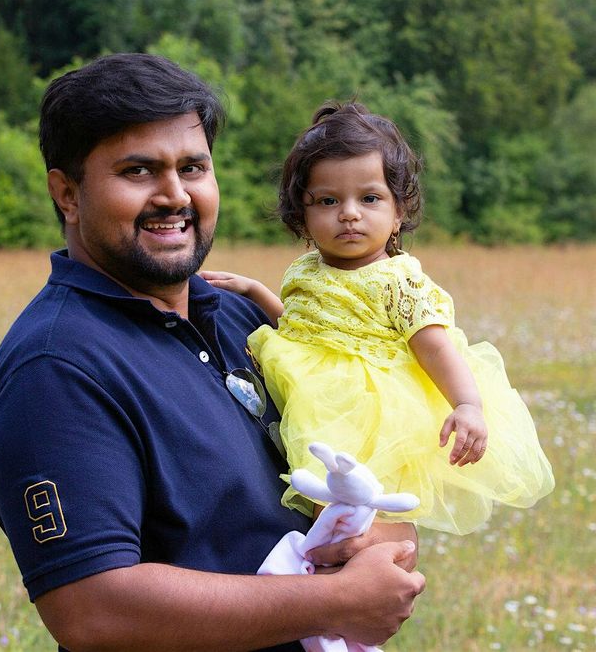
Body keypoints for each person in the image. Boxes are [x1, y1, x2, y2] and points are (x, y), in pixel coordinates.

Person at [0, 55, 424, 652]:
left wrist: (372, 543)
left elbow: (373, 478)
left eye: (193, 167)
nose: (174, 195)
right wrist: (335, 601)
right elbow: (90, 609)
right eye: (138, 171)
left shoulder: (243, 319)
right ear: (68, 194)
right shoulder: (56, 370)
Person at [201, 102, 554, 537]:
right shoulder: (306, 269)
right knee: (321, 503)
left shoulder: (397, 281)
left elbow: (435, 346)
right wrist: (257, 292)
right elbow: (301, 329)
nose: (349, 213)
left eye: (369, 199)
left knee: (359, 513)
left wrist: (467, 405)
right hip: (316, 397)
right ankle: (315, 557)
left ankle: (354, 559)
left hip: (370, 411)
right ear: (302, 216)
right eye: (328, 201)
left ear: (398, 212)